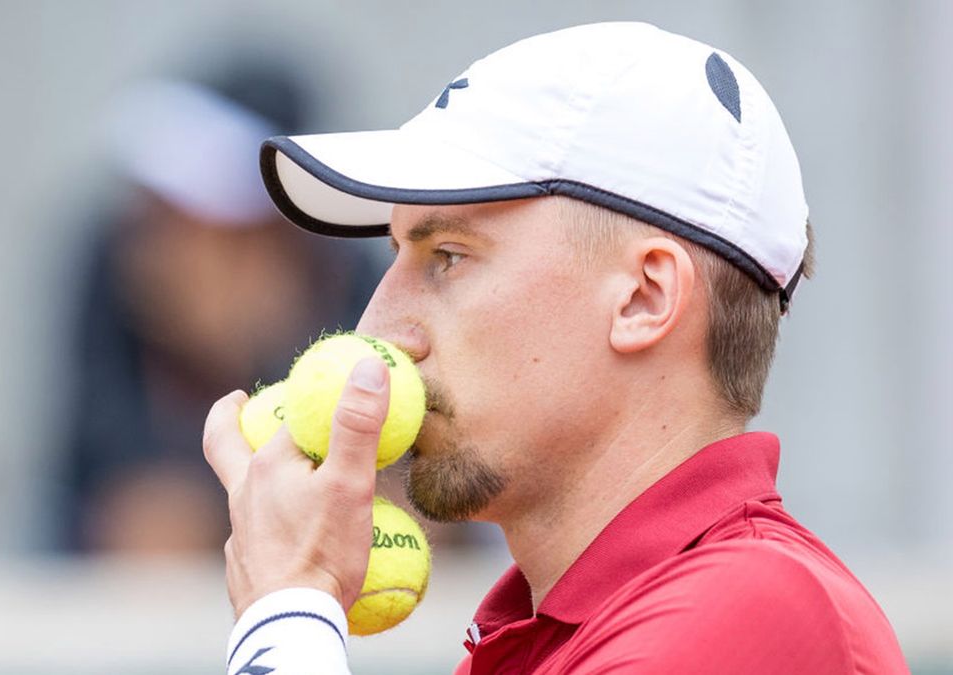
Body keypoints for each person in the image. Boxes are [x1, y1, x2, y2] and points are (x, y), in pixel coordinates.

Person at [202, 22, 908, 674]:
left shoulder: (752, 607)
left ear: (644, 297)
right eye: (394, 255)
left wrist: (288, 611)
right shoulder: (568, 626)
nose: (377, 328)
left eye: (448, 255)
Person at [57, 66, 381, 554]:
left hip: (308, 504)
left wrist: (251, 349)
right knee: (156, 525)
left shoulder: (350, 273)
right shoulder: (113, 253)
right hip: (142, 517)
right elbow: (93, 439)